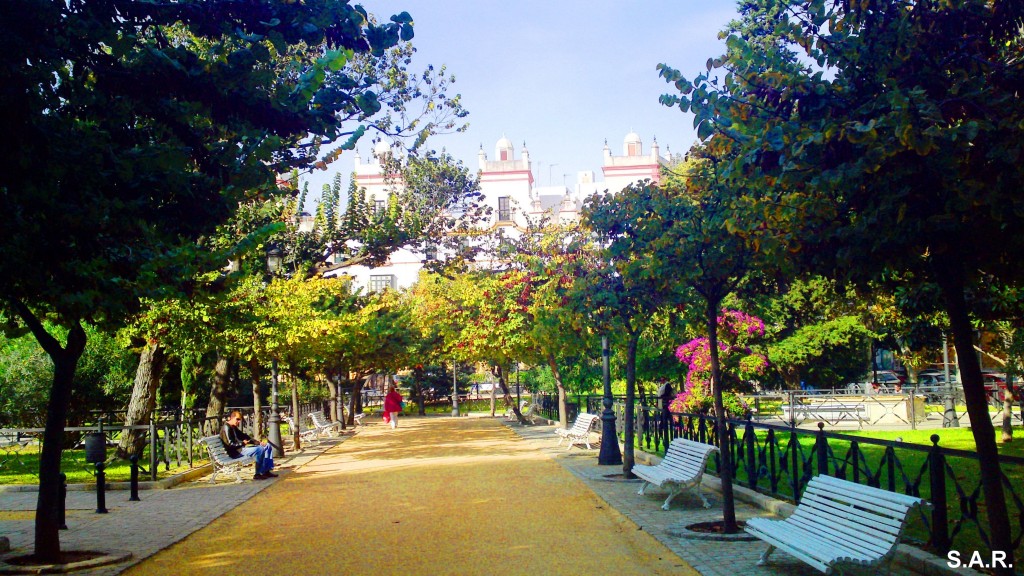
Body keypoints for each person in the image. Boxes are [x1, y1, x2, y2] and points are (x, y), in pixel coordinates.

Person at [221, 410, 277, 480]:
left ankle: (266, 471)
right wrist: (242, 443)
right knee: (260, 449)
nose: (238, 422)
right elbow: (230, 444)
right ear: (231, 418)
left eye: (239, 420)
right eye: (237, 419)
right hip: (236, 452)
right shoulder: (226, 428)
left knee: (267, 446)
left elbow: (244, 436)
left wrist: (258, 442)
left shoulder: (233, 427)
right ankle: (258, 474)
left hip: (241, 449)